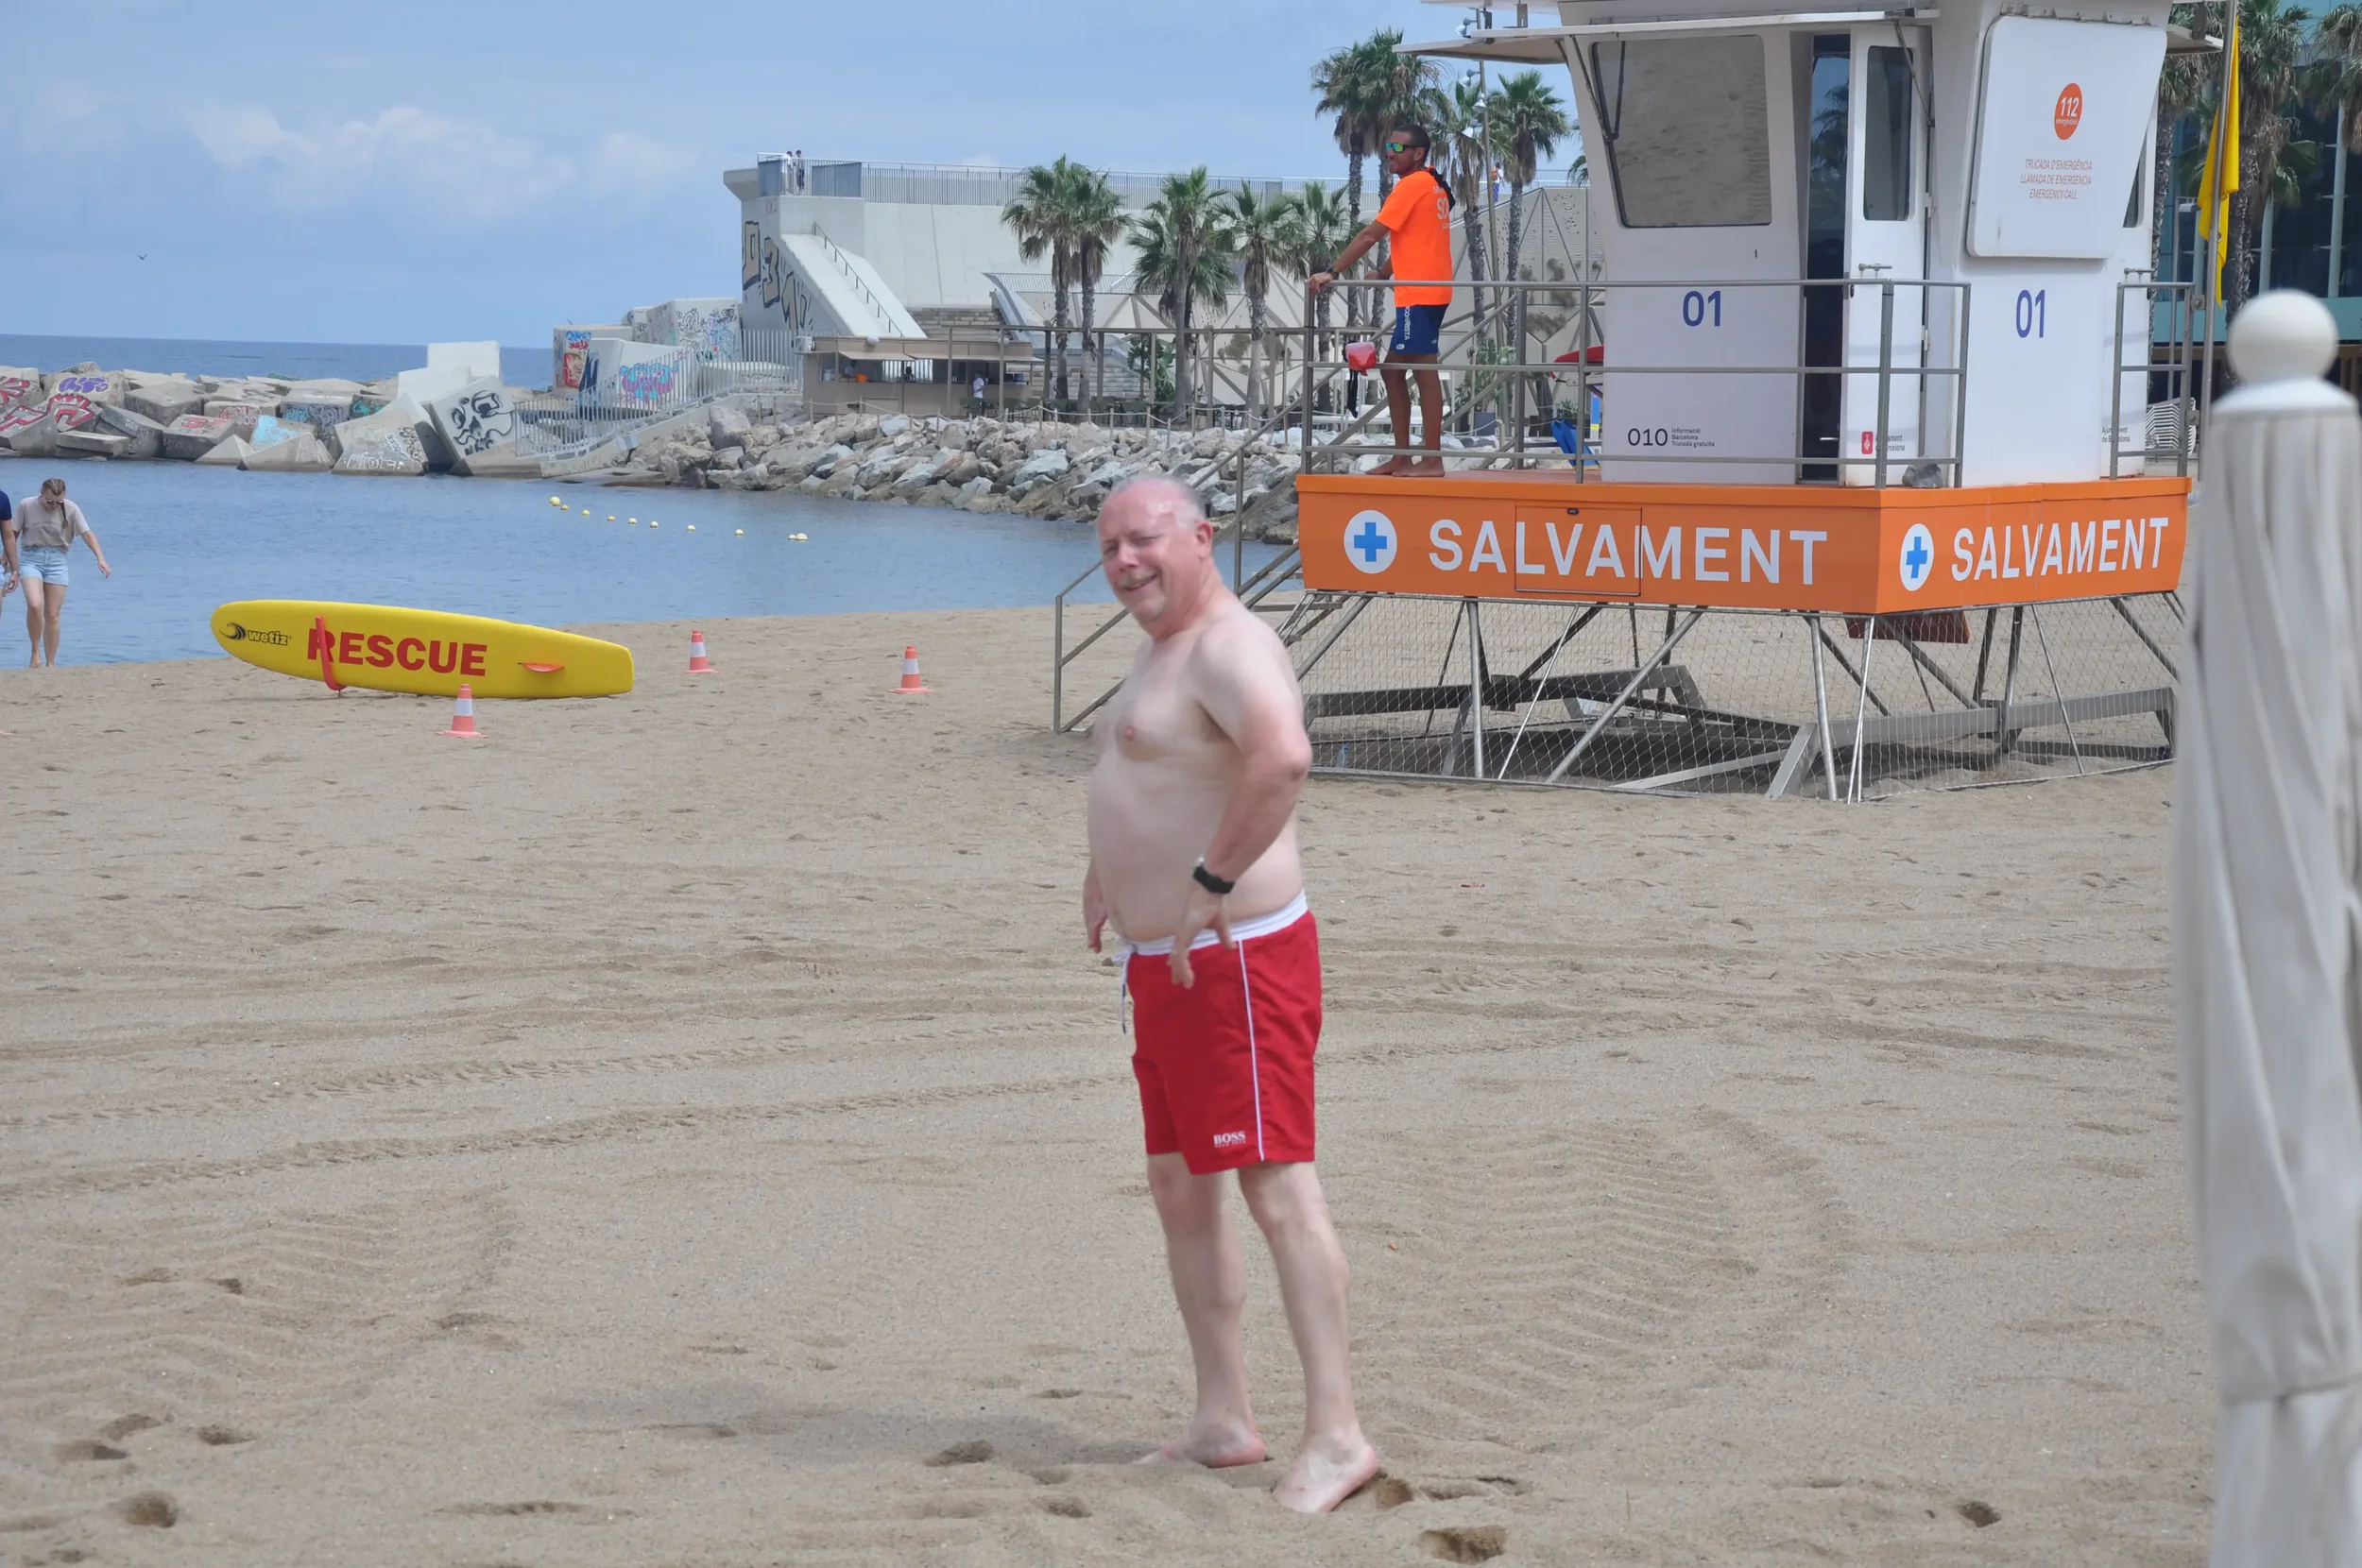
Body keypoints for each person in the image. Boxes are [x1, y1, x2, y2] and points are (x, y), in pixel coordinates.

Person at [1083, 474, 1378, 1514]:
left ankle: (1337, 1433)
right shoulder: (1162, 646)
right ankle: (1222, 1418)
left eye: (1145, 540)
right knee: (1179, 1186)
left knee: (1274, 1189)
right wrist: (1107, 874)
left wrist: (1205, 883)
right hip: (1163, 965)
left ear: (1201, 538)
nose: (1125, 562)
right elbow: (1156, 776)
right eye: (1111, 545)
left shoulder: (1229, 643)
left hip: (1237, 960)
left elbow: (1282, 759)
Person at [1309, 124, 1454, 477]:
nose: (1389, 152)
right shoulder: (1433, 183)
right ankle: (1406, 456)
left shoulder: (1413, 185)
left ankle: (1429, 460)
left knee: (1410, 371)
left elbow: (1372, 233)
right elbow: (1418, 238)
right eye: (1387, 145)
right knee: (1409, 370)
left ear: (1418, 153)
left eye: (1397, 147)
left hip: (1420, 294)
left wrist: (1333, 271)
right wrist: (1387, 272)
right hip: (1427, 291)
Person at [5, 477, 111, 668]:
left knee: (53, 614)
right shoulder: (26, 505)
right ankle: (35, 653)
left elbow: (87, 534)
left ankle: (51, 663)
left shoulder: (71, 508)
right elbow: (12, 534)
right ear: (42, 494)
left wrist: (100, 559)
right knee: (35, 605)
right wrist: (6, 558)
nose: (53, 506)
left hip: (57, 560)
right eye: (49, 501)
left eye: (58, 502)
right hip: (31, 558)